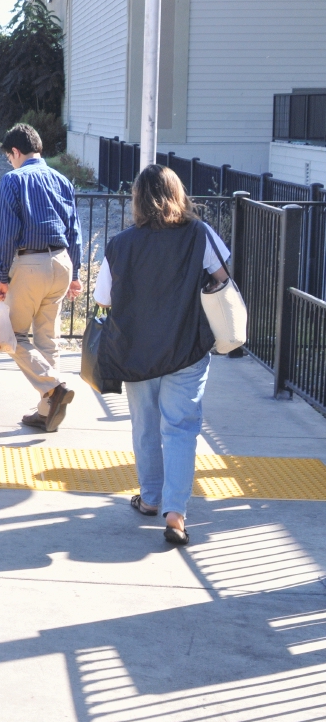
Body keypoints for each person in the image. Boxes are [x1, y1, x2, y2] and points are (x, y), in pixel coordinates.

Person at [93, 165, 229, 546]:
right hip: (187, 348)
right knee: (181, 429)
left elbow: (103, 299)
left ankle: (150, 499)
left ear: (138, 199)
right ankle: (176, 514)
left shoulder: (121, 244)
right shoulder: (199, 234)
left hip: (136, 354)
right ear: (177, 194)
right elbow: (222, 278)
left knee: (145, 426)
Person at [0, 123, 84, 432]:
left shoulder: (13, 180)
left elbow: (7, 233)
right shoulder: (61, 180)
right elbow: (74, 229)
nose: (10, 162)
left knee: (9, 335)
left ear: (16, 152)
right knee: (48, 337)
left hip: (31, 264)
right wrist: (76, 272)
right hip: (62, 262)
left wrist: (2, 275)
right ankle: (47, 411)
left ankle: (54, 386)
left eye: (10, 157)